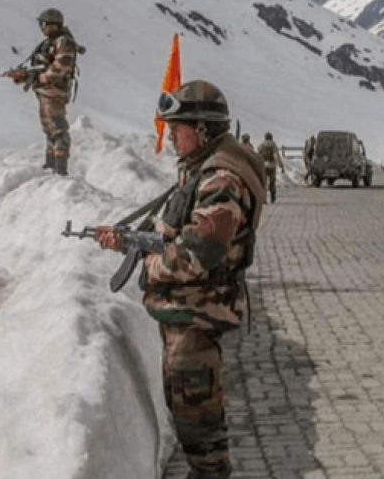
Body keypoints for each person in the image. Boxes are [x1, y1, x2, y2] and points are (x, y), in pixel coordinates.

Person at [92, 80, 265, 479]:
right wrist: (129, 242)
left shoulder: (221, 179)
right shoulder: (202, 171)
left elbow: (197, 253)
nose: (171, 136)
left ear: (202, 130)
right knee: (190, 420)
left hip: (197, 318)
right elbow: (176, 234)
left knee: (202, 432)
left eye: (178, 128)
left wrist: (150, 263)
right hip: (187, 316)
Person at [8, 8, 77, 175]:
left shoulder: (63, 42)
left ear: (52, 25)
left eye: (43, 24)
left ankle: (60, 169)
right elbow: (41, 67)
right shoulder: (49, 43)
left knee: (58, 129)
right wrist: (24, 75)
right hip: (46, 92)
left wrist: (38, 78)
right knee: (49, 129)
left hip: (55, 92)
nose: (42, 28)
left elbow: (60, 68)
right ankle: (50, 164)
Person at [256, 132, 285, 202]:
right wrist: (281, 166)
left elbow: (258, 155)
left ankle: (264, 199)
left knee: (264, 182)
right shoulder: (273, 145)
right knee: (272, 182)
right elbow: (276, 156)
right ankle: (272, 196)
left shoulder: (261, 145)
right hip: (272, 166)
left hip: (264, 165)